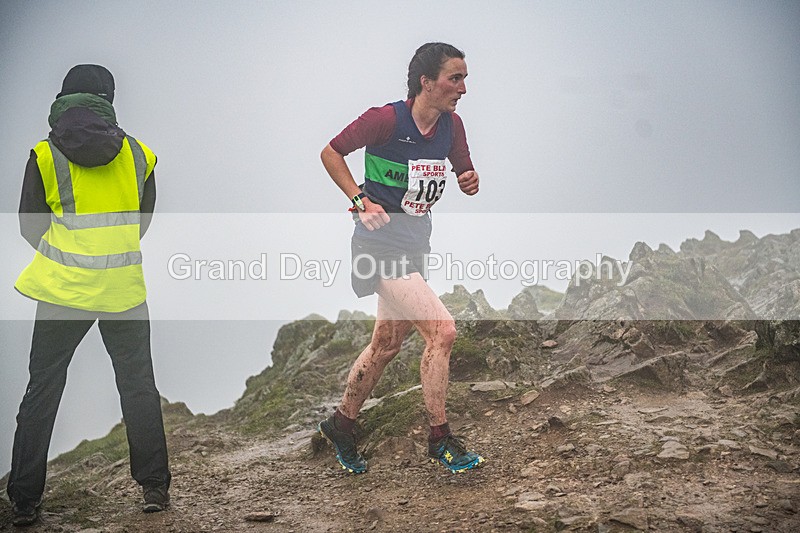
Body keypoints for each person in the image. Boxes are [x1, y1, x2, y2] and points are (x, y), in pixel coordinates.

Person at [7, 64, 171, 527]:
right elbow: (142, 222)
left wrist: (69, 257)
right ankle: (155, 487)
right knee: (138, 386)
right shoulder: (139, 154)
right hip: (123, 289)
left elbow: (28, 225)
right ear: (109, 101)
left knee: (42, 389)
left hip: (62, 291)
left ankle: (23, 500)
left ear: (64, 98)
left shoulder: (43, 154)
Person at [318, 43, 484, 474]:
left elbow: (463, 170)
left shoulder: (452, 127)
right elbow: (330, 153)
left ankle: (341, 423)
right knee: (442, 331)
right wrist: (359, 200)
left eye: (464, 78)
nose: (463, 88)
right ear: (426, 82)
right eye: (455, 78)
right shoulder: (386, 120)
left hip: (414, 245)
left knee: (387, 344)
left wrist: (468, 179)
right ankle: (440, 439)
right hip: (376, 247)